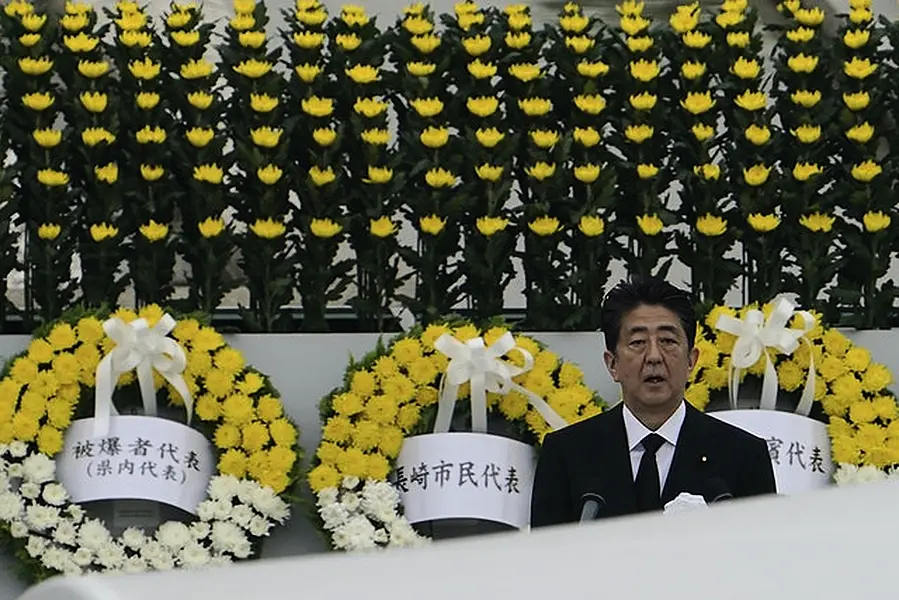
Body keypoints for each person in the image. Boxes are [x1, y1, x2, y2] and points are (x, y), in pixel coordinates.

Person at [530, 277, 776, 527]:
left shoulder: (744, 456)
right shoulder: (567, 454)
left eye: (668, 341)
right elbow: (546, 559)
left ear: (691, 361)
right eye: (637, 343)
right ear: (612, 364)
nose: (654, 357)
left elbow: (761, 558)